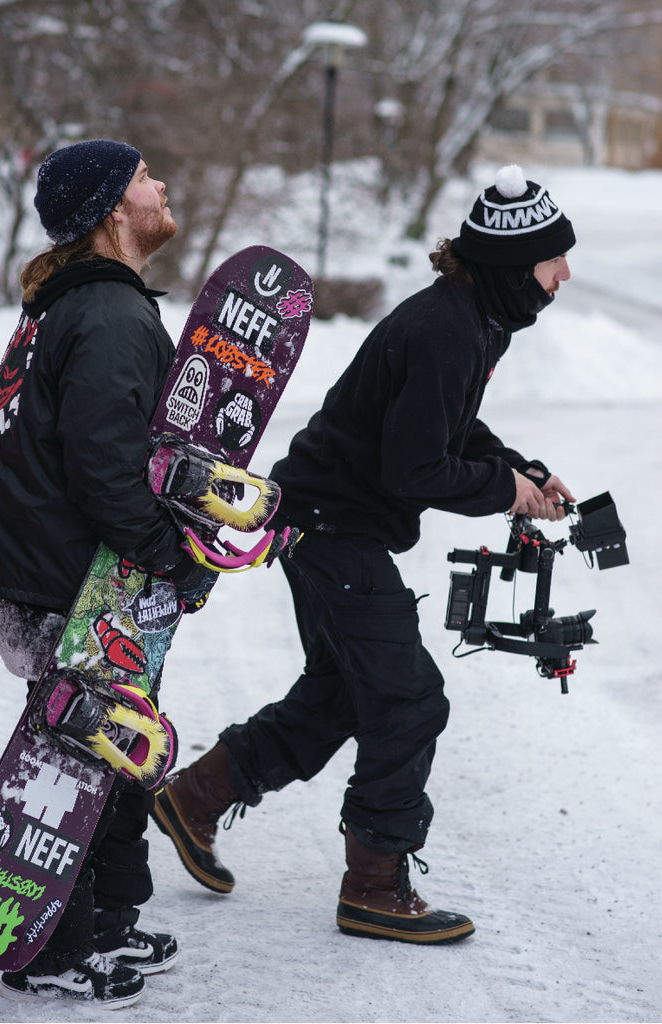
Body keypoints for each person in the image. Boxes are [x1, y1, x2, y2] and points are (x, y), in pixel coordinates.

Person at [149, 164, 577, 945]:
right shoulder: (449, 328)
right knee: (409, 696)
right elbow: (415, 469)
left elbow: (445, 431)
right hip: (329, 523)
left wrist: (522, 470)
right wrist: (503, 490)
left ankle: (196, 799)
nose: (564, 275)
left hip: (328, 519)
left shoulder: (470, 321)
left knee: (343, 692)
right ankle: (375, 884)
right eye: (554, 259)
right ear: (518, 266)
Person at [0, 139, 216, 1007]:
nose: (162, 185)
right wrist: (173, 554)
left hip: (53, 575)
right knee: (78, 759)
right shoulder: (106, 313)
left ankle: (104, 920)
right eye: (146, 178)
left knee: (112, 747)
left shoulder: (73, 304)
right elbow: (107, 469)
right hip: (70, 585)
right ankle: (50, 948)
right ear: (114, 209)